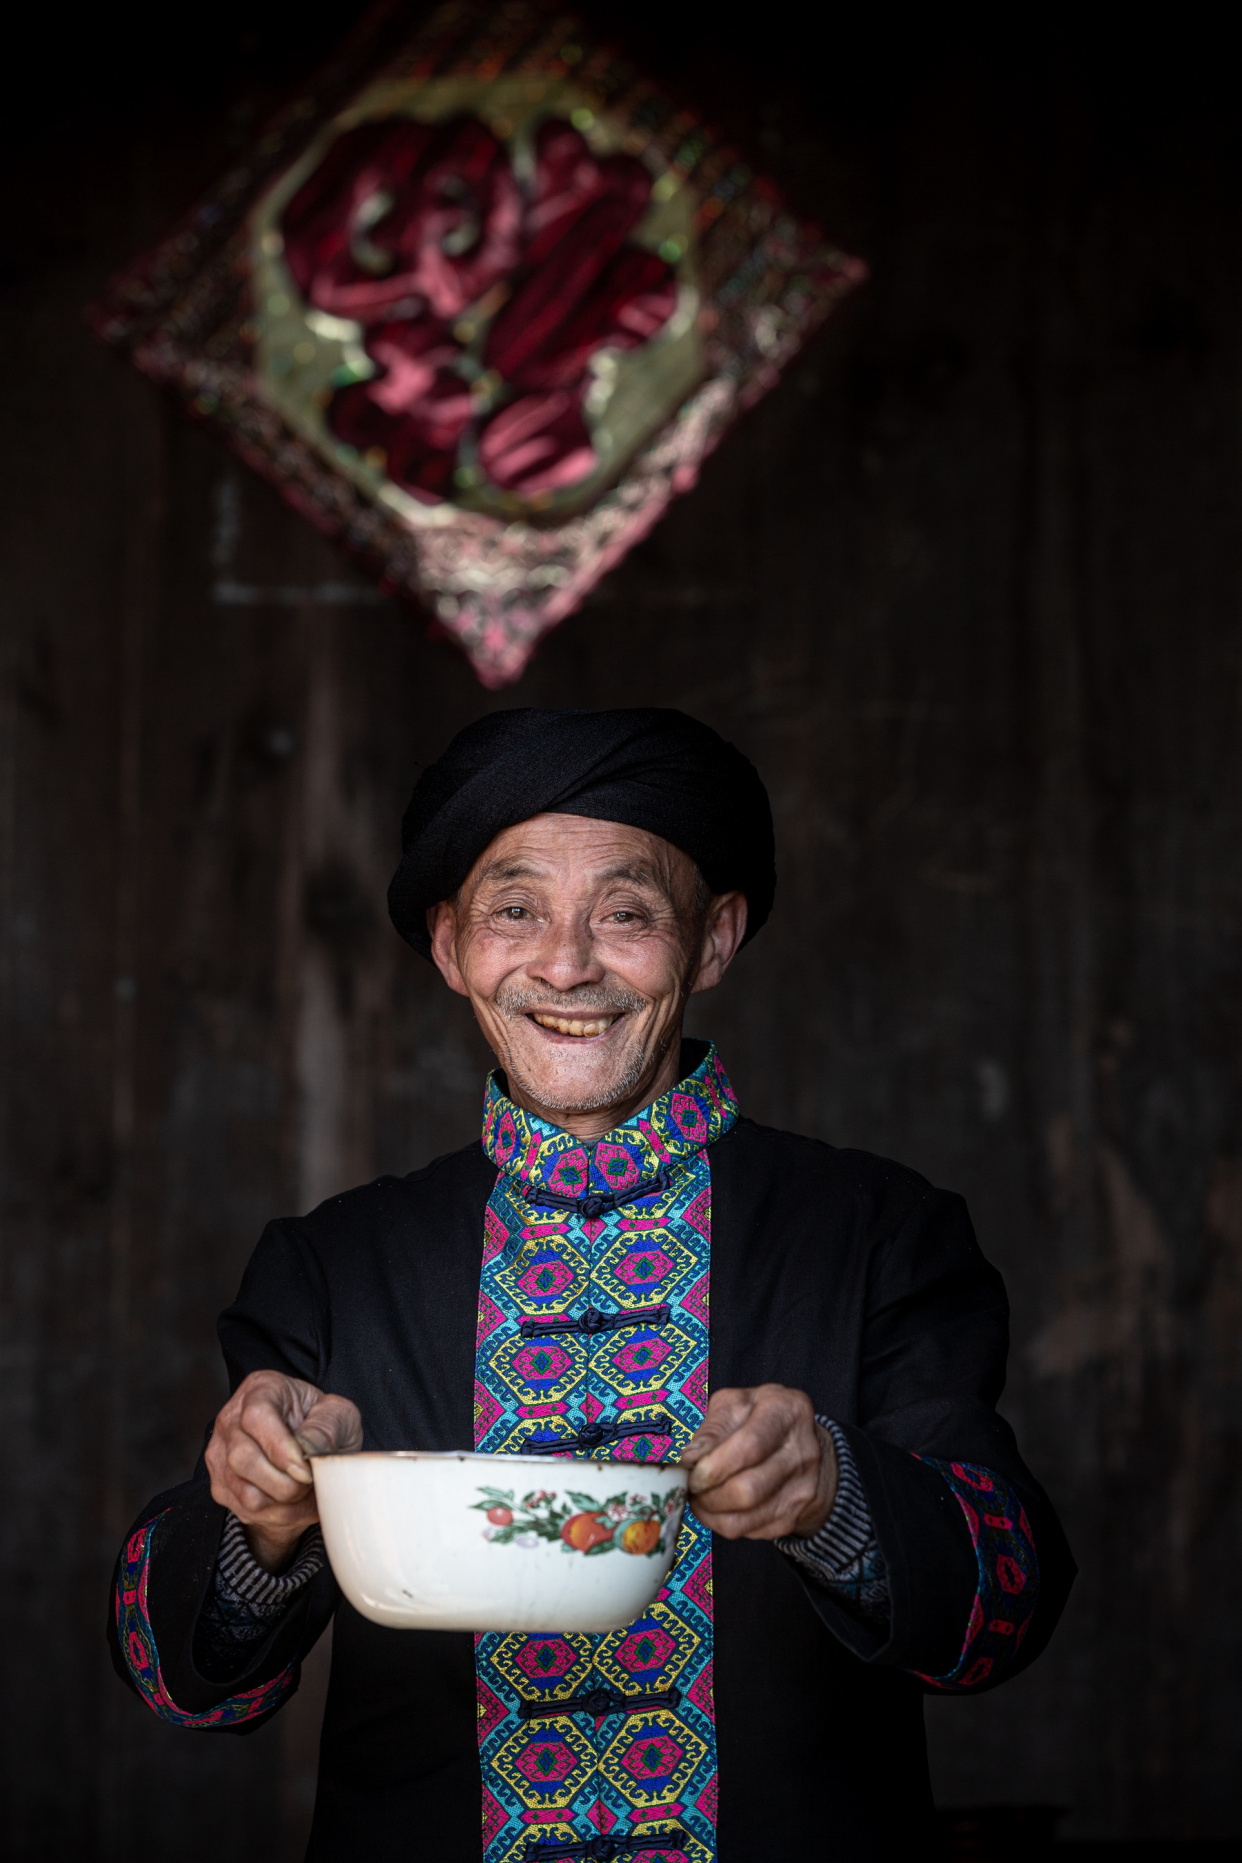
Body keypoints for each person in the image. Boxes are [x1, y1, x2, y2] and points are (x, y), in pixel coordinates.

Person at [109, 707, 1074, 1862]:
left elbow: (1003, 1618)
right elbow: (184, 1684)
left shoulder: (879, 1234)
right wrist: (258, 1526)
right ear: (451, 945)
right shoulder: (334, 1266)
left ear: (713, 941)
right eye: (515, 911)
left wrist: (836, 1497)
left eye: (625, 913)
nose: (566, 963)